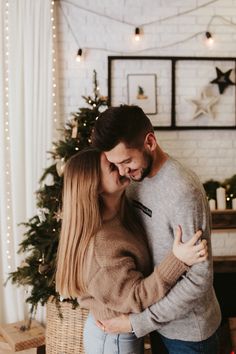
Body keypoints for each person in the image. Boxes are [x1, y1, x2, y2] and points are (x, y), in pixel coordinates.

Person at [91, 105, 222, 354]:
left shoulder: (184, 192)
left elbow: (199, 280)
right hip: (157, 325)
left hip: (190, 334)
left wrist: (136, 322)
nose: (122, 172)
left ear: (150, 141)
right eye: (115, 164)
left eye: (127, 161)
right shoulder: (132, 182)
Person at [55, 147, 208, 354]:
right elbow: (136, 296)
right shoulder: (101, 247)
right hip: (113, 339)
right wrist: (177, 260)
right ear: (96, 186)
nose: (122, 168)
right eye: (112, 167)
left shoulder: (118, 214)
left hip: (122, 331)